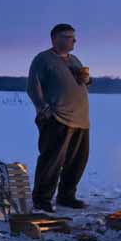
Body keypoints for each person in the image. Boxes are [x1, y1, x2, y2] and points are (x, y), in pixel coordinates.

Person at [27, 23, 91, 212]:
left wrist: (86, 79)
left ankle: (66, 196)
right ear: (55, 38)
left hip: (80, 119)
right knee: (52, 160)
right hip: (57, 118)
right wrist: (42, 108)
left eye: (74, 37)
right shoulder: (43, 60)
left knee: (78, 161)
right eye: (69, 37)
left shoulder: (74, 60)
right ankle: (42, 199)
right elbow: (33, 86)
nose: (74, 40)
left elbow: (83, 82)